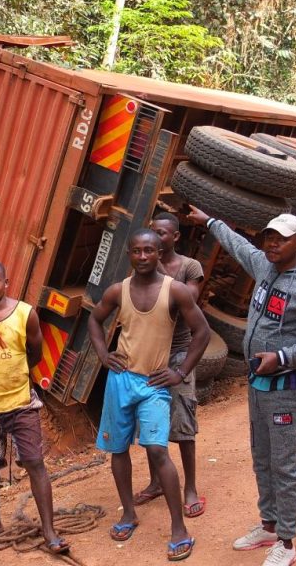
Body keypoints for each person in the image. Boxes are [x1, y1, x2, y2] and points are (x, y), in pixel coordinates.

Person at [186, 207, 296, 566]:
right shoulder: (264, 265)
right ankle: (269, 525)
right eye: (269, 236)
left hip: (290, 389)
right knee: (262, 459)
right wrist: (210, 221)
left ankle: (286, 542)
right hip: (259, 386)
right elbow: (237, 245)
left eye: (281, 239)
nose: (272, 243)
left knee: (285, 466)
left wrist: (282, 357)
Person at [88, 228, 210, 562]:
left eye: (149, 250)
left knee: (157, 450)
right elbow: (95, 321)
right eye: (136, 251)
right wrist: (103, 355)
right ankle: (128, 514)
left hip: (154, 383)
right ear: (129, 254)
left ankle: (179, 529)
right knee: (118, 449)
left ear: (160, 253)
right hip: (120, 380)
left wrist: (180, 372)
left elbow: (202, 332)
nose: (142, 256)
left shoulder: (175, 290)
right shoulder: (118, 290)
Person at [0, 261, 69, 555]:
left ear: (6, 283)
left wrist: (16, 374)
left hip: (21, 403)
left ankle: (49, 532)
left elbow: (35, 353)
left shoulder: (25, 313)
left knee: (35, 463)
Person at [133, 212, 207, 519]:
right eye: (153, 231)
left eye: (162, 234)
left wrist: (158, 267)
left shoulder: (190, 267)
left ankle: (190, 488)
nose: (156, 237)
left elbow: (187, 299)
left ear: (175, 236)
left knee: (183, 424)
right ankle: (156, 482)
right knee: (151, 424)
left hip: (178, 354)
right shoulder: (143, 264)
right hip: (151, 354)